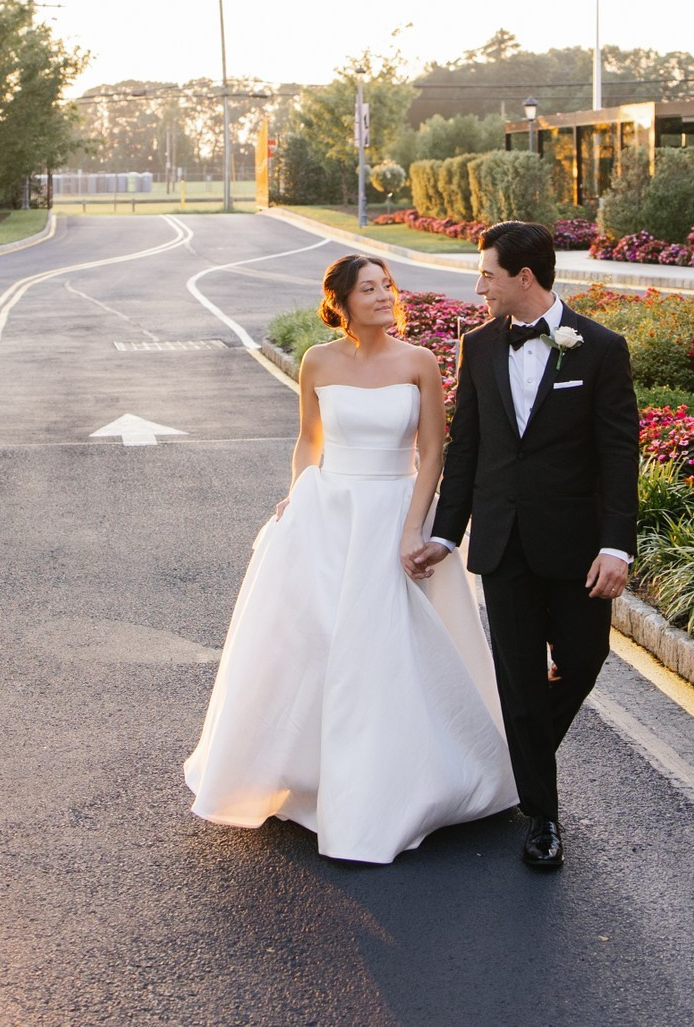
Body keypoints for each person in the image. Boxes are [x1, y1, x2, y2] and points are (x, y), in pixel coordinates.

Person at [185, 254, 517, 862]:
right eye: (369, 289)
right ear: (341, 303)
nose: (384, 296)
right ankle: (308, 777)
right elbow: (309, 439)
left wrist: (414, 528)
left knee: (385, 652)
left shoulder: (419, 362)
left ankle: (396, 787)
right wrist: (297, 495)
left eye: (386, 286)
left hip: (395, 514)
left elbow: (433, 453)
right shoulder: (317, 361)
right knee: (312, 646)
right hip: (328, 513)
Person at [406, 220, 637, 871]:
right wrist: (445, 533)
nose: (480, 287)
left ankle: (513, 751)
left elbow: (620, 455)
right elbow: (468, 448)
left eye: (488, 275)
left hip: (577, 547)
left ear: (524, 277)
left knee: (584, 660)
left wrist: (617, 546)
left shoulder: (600, 348)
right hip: (502, 546)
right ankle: (542, 817)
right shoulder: (478, 346)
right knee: (519, 678)